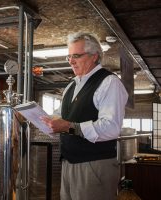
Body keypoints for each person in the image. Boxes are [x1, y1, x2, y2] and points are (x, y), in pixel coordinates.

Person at [41, 32, 128, 200]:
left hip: (94, 165)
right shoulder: (71, 85)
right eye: (69, 56)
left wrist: (69, 127)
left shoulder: (109, 82)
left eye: (76, 56)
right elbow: (60, 116)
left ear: (94, 56)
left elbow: (111, 128)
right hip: (68, 162)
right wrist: (36, 118)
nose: (71, 61)